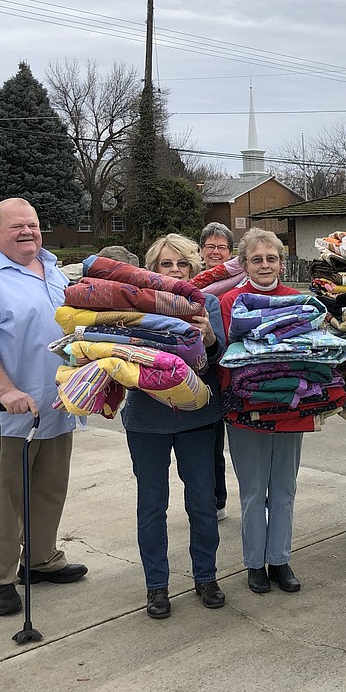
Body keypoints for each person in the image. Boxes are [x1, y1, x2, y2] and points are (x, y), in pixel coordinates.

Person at [0, 197, 87, 617]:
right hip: (5, 414)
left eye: (33, 224)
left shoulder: (54, 272)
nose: (28, 231)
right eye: (16, 227)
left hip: (57, 404)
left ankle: (40, 561)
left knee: (48, 492)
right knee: (1, 501)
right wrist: (6, 390)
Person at [122, 234, 227, 619]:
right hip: (146, 419)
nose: (174, 271)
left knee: (202, 501)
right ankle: (157, 586)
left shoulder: (208, 304)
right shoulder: (135, 305)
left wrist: (211, 338)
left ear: (193, 269)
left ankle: (206, 577)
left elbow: (222, 360)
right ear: (153, 270)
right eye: (166, 264)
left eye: (182, 264)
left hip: (198, 417)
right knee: (152, 505)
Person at [219, 228, 307, 595]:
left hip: (290, 407)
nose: (265, 265)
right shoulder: (230, 302)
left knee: (284, 487)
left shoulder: (298, 300)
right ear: (243, 264)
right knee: (254, 490)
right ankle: (255, 563)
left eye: (271, 258)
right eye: (256, 259)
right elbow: (231, 352)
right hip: (246, 408)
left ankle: (280, 560)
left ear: (281, 263)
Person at [199, 222, 236, 522]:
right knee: (210, 444)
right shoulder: (193, 285)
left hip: (234, 374)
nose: (215, 252)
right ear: (201, 252)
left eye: (221, 247)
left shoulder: (239, 284)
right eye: (210, 246)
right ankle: (214, 499)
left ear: (230, 253)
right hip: (208, 375)